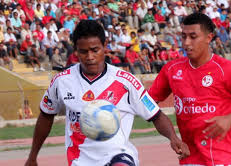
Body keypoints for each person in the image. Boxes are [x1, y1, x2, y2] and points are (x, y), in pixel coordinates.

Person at [25, 20, 189, 166]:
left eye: (95, 50)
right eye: (83, 51)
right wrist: (33, 156)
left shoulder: (126, 81)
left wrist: (173, 138)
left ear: (105, 47)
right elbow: (46, 115)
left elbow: (155, 115)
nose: (89, 56)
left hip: (119, 155)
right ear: (75, 51)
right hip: (80, 159)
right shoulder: (62, 81)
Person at [148, 13, 231, 166]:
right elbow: (147, 103)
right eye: (183, 37)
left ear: (209, 38)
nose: (186, 43)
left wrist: (229, 119)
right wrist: (172, 136)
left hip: (223, 158)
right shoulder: (171, 69)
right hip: (189, 158)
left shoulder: (229, 69)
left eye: (193, 36)